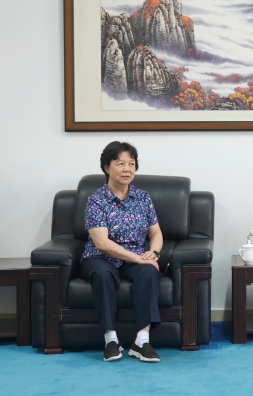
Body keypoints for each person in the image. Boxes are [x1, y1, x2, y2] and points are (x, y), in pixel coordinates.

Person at [80, 141, 164, 362]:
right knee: (102, 274)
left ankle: (142, 341)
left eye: (131, 164)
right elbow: (101, 243)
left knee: (149, 271)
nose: (127, 169)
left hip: (134, 256)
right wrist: (138, 258)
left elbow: (156, 233)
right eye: (120, 164)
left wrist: (153, 254)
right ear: (107, 168)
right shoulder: (96, 201)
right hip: (100, 257)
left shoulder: (143, 198)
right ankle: (111, 340)